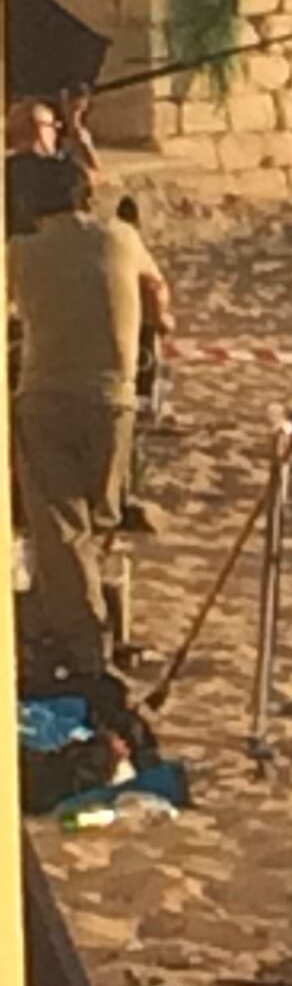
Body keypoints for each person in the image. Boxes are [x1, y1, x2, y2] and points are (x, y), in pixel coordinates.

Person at [11, 160, 171, 675]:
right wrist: (153, 323)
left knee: (59, 527)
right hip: (112, 400)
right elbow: (157, 291)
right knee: (96, 520)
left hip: (46, 397)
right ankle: (63, 620)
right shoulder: (121, 237)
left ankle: (84, 641)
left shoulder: (21, 253)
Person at [7, 88, 100, 239]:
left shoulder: (7, 171)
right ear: (40, 129)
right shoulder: (64, 171)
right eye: (54, 126)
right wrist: (76, 127)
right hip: (56, 247)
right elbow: (94, 177)